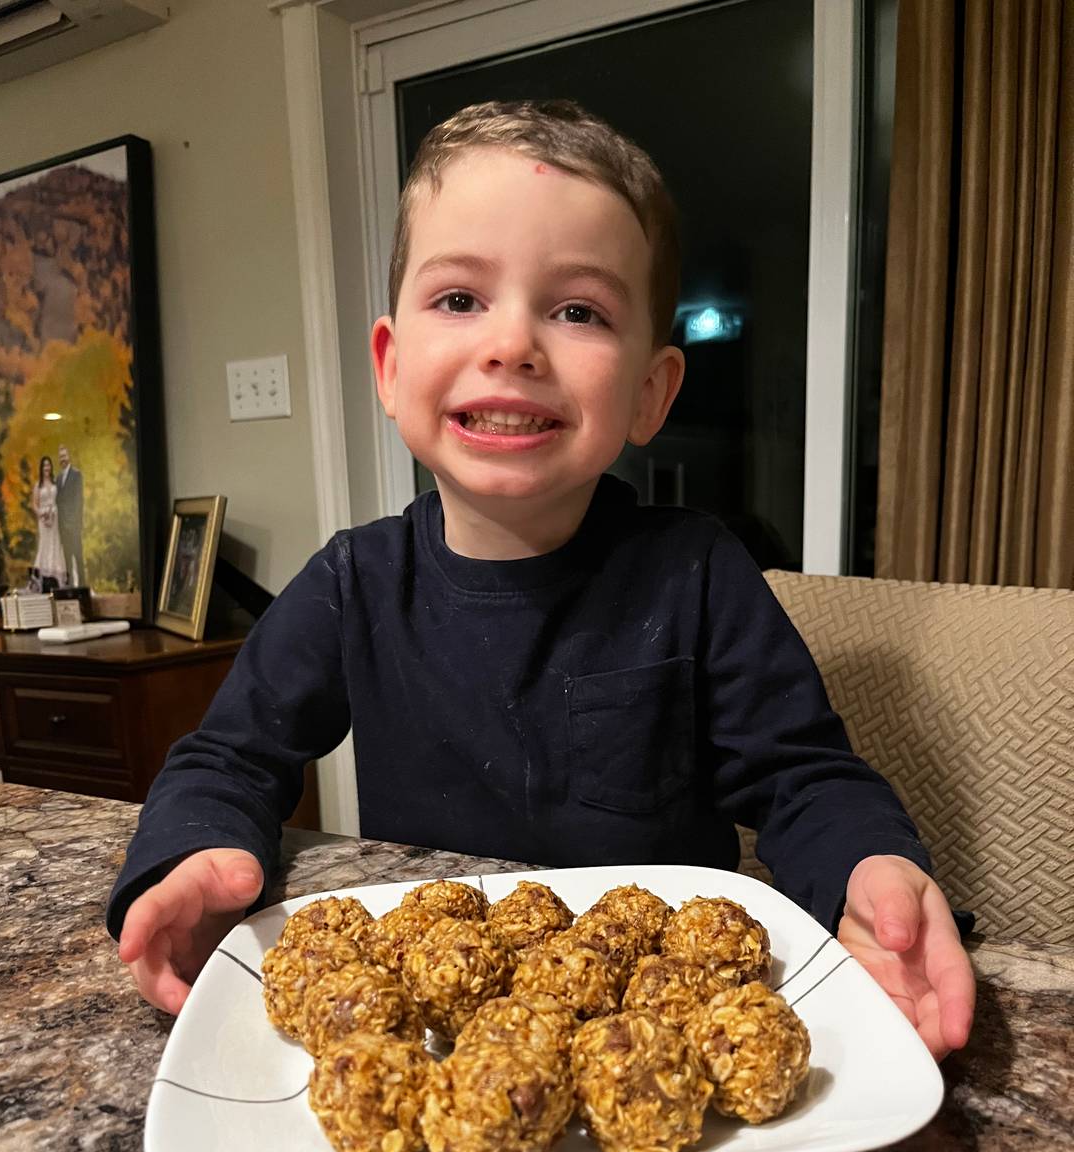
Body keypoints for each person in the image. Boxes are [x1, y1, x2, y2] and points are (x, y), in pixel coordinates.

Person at [109, 100, 975, 1058]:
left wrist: (873, 869)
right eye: (460, 299)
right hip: (441, 1041)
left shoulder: (698, 573)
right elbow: (230, 756)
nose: (513, 344)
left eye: (578, 311)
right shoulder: (354, 582)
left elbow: (806, 781)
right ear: (392, 368)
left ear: (651, 392)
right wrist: (195, 853)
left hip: (660, 1031)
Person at [30, 454, 68, 591]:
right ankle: (43, 575)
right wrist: (42, 513)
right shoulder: (37, 486)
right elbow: (34, 504)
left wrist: (54, 511)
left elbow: (60, 499)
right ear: (41, 468)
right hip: (44, 519)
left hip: (55, 517)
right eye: (44, 465)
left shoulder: (54, 483)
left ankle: (56, 574)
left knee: (55, 543)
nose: (47, 467)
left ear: (51, 467)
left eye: (49, 465)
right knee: (45, 543)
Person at [55, 442, 85, 587]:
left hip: (73, 526)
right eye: (60, 457)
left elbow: (79, 500)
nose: (63, 459)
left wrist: (76, 524)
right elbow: (58, 502)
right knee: (67, 558)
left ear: (69, 457)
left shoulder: (76, 475)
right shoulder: (58, 478)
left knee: (78, 557)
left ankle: (82, 586)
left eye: (64, 456)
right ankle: (71, 587)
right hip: (62, 526)